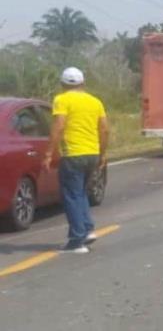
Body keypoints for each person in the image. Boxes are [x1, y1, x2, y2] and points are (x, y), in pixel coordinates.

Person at [42, 67, 109, 254]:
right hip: (92, 153)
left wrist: (49, 153)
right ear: (83, 83)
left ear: (63, 84)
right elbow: (104, 129)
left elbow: (59, 125)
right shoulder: (95, 102)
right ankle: (87, 230)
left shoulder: (61, 100)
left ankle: (76, 240)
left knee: (71, 196)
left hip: (73, 154)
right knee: (80, 193)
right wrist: (102, 153)